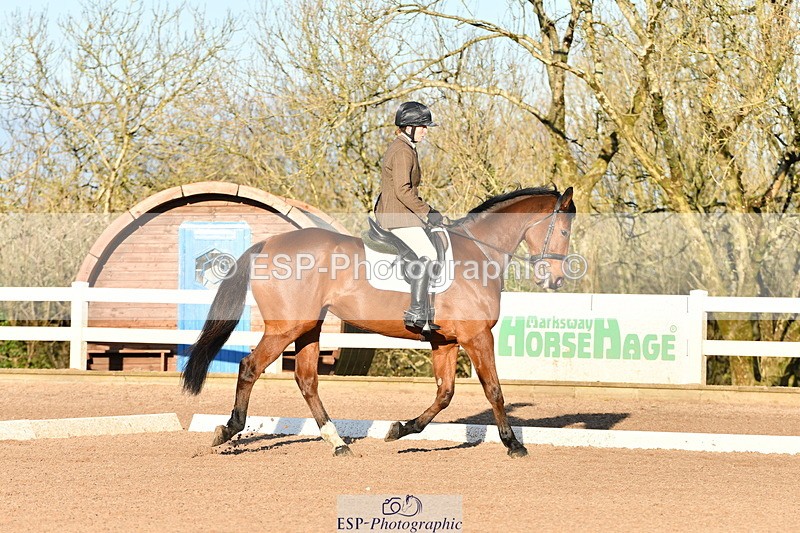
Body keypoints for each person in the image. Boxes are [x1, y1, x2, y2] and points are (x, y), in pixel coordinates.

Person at [375, 101, 444, 331]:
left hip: (402, 213)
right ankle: (415, 311)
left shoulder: (405, 148)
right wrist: (427, 212)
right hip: (398, 216)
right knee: (429, 254)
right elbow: (403, 190)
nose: (425, 131)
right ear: (409, 127)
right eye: (422, 126)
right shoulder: (402, 151)